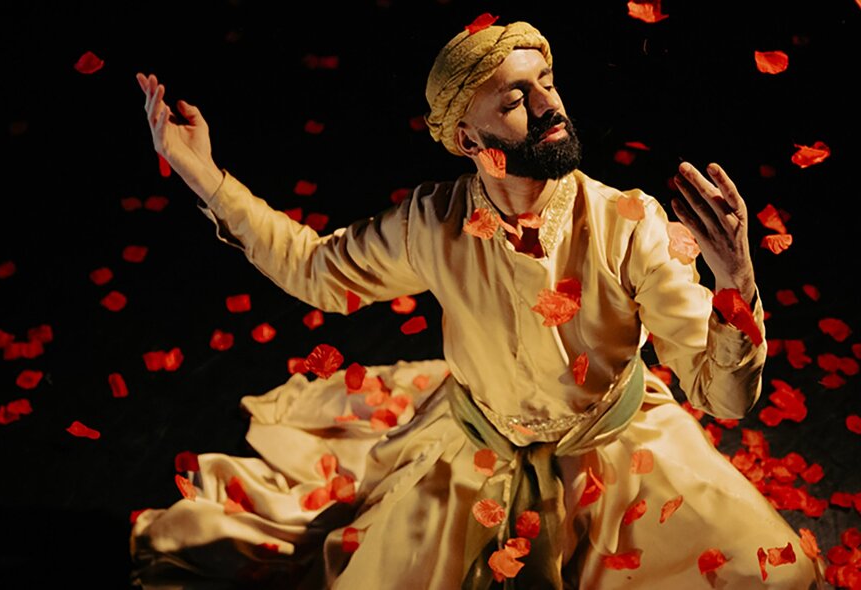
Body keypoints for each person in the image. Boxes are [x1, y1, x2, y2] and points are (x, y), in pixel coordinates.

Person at [130, 19, 822, 590]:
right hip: (474, 444)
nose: (549, 104)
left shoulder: (629, 224)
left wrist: (735, 280)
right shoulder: (433, 222)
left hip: (618, 451)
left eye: (547, 83)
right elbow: (317, 271)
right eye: (516, 97)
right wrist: (206, 176)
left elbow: (724, 398)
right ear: (467, 139)